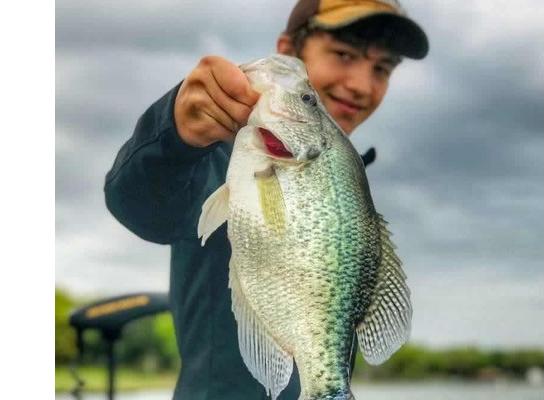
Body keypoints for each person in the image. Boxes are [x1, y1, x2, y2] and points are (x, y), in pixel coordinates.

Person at [104, 1, 428, 399]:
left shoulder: (344, 180)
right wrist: (174, 133)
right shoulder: (217, 154)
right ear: (288, 50)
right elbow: (139, 207)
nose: (362, 84)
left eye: (382, 68)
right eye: (344, 54)